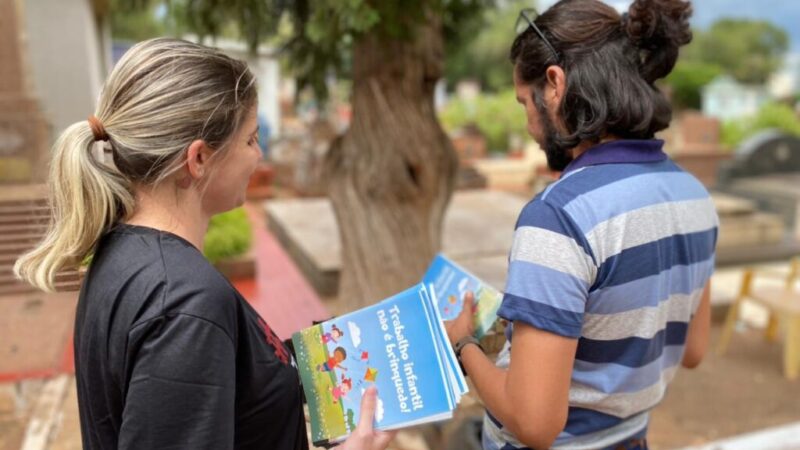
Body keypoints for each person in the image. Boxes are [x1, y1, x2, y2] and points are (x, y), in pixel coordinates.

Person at [14, 38, 394, 450]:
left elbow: (246, 375)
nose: (259, 155)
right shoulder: (184, 303)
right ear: (198, 160)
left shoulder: (125, 254)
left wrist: (402, 338)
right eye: (250, 140)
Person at [445, 1, 718, 449]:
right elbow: (693, 350)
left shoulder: (558, 216)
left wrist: (463, 346)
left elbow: (534, 424)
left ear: (553, 85)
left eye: (523, 103)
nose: (530, 126)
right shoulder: (695, 198)